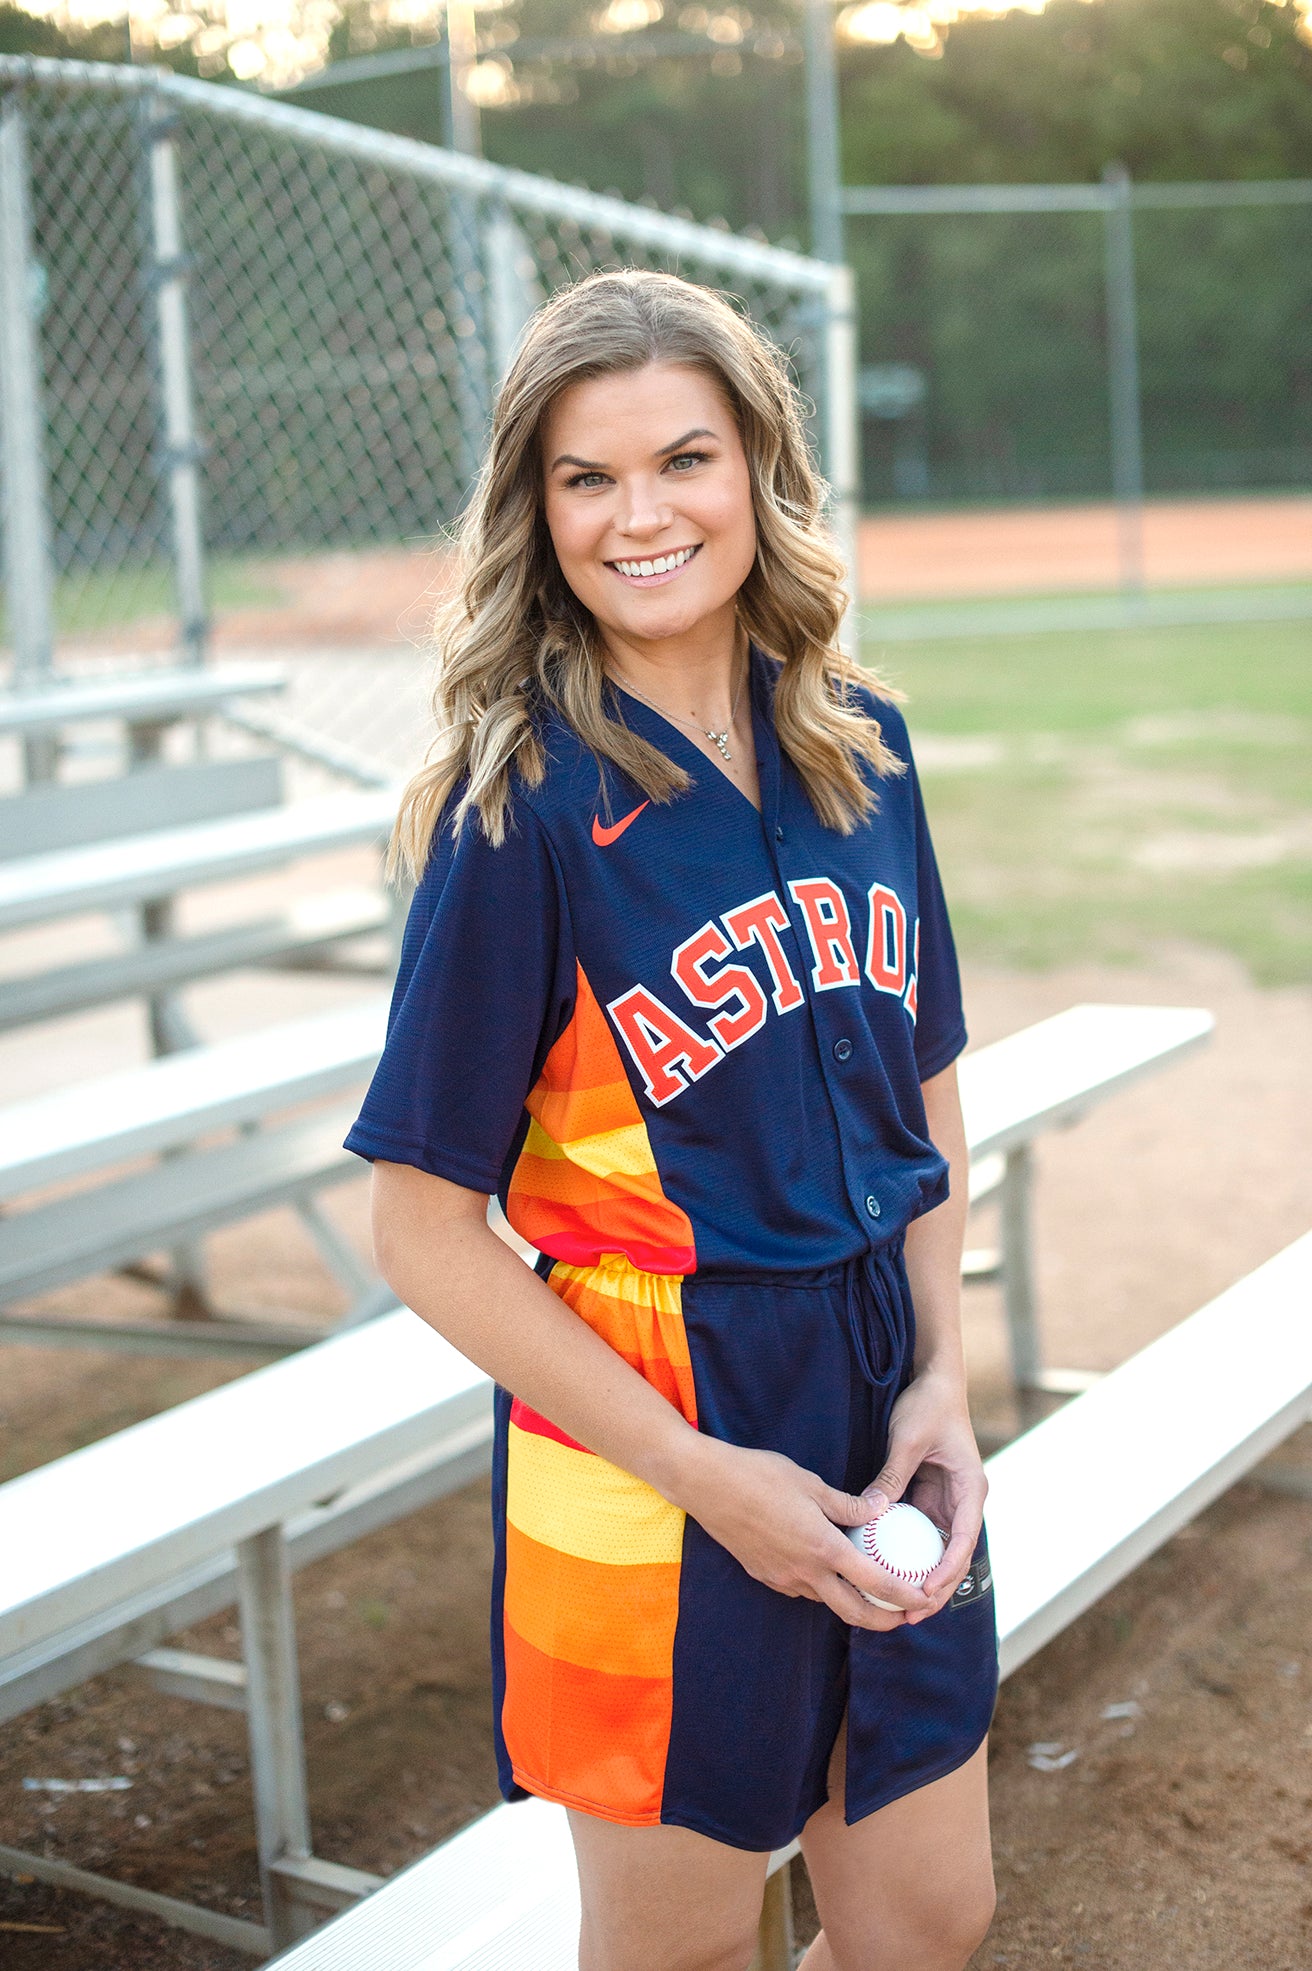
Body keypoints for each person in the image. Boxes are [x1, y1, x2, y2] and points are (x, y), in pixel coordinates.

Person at [344, 268, 997, 1971]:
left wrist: (942, 1370)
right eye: (586, 477)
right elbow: (417, 1224)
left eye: (683, 460)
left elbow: (924, 1078)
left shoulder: (863, 744)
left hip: (873, 1382)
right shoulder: (523, 807)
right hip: (647, 1432)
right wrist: (706, 1478)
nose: (640, 515)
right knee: (682, 1951)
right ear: (535, 510)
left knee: (933, 1918)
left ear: (759, 474)